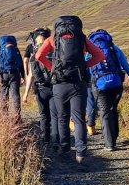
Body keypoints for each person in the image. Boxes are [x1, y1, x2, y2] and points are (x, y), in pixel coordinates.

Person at [35, 16, 105, 164]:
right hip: (78, 83)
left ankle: (65, 150)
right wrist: (85, 65)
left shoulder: (52, 39)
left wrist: (52, 68)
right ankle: (81, 153)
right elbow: (100, 55)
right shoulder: (81, 39)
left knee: (62, 117)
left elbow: (38, 55)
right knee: (79, 119)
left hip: (59, 84)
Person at [87, 29, 129, 151]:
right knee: (113, 109)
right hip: (116, 83)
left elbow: (86, 67)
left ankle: (109, 144)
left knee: (104, 112)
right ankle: (114, 138)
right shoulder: (114, 48)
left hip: (99, 85)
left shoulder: (89, 51)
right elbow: (126, 66)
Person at [22, 28, 59, 150]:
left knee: (44, 115)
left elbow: (31, 75)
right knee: (54, 115)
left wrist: (26, 94)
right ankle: (55, 141)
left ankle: (45, 140)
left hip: (40, 88)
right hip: (54, 87)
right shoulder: (53, 51)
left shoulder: (34, 54)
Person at [0, 35, 25, 120]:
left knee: (3, 94)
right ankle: (17, 116)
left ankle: (4, 116)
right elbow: (20, 63)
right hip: (15, 74)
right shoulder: (16, 49)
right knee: (15, 94)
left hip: (3, 74)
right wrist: (23, 76)